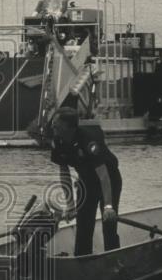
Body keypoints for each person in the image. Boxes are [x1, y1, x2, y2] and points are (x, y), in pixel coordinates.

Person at [49, 107, 123, 255]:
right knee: (83, 226)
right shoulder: (57, 141)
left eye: (57, 123)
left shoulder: (89, 141)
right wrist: (70, 205)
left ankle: (114, 261)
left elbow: (103, 175)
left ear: (69, 127)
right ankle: (82, 261)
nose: (53, 126)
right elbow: (64, 174)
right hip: (86, 183)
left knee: (108, 225)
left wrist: (108, 206)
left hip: (109, 181)